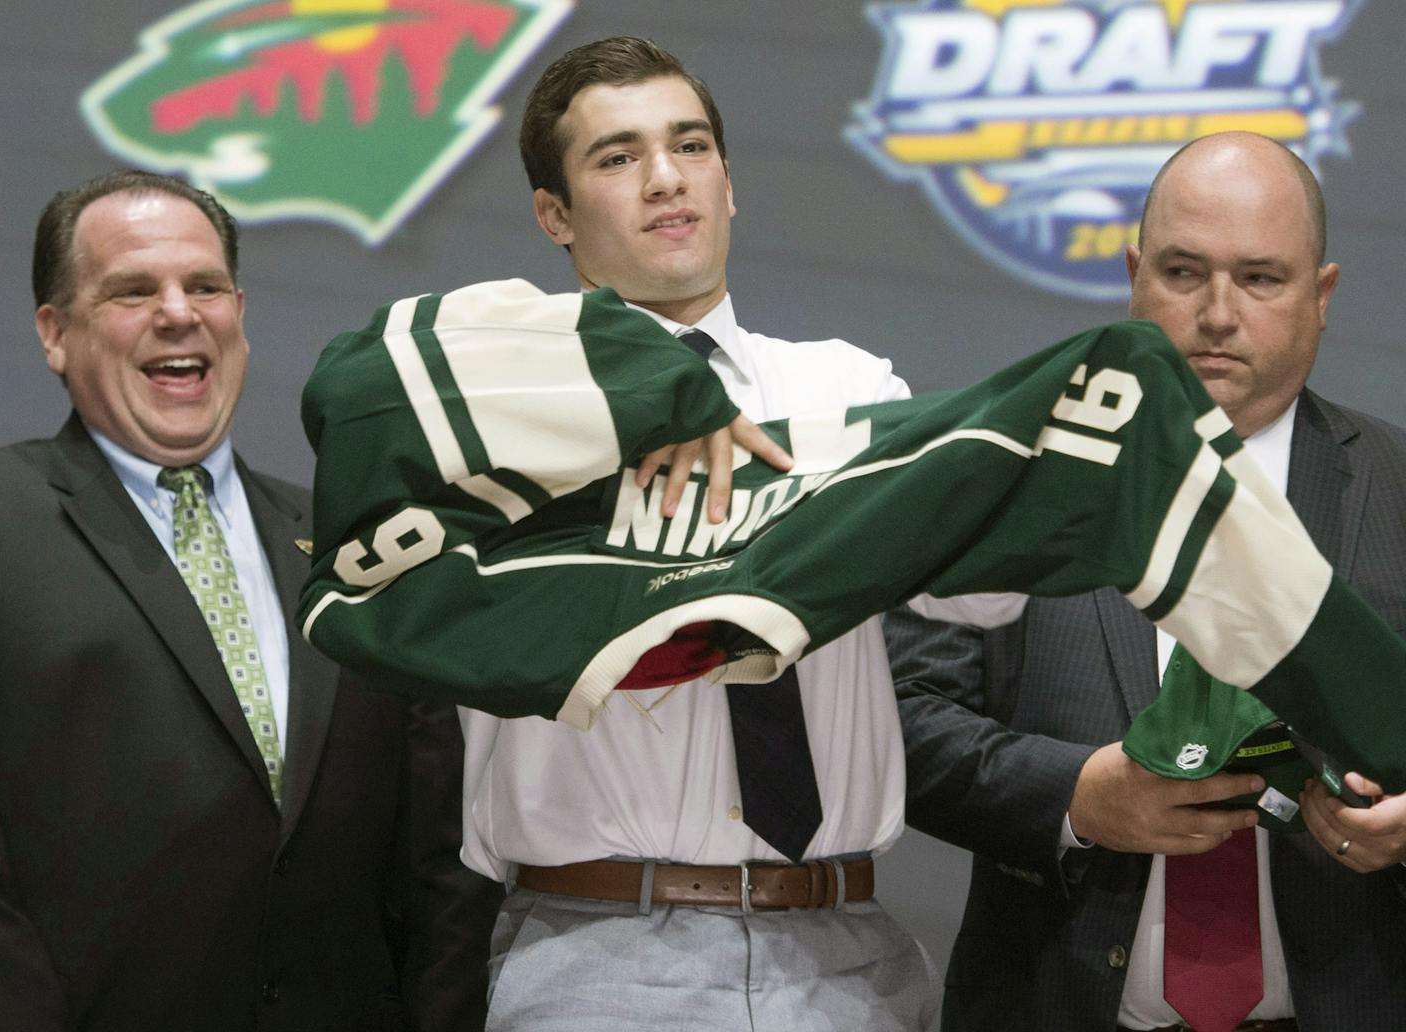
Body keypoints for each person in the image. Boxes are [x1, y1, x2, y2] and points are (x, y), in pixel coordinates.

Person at [455, 36, 947, 1031]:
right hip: (600, 953)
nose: (666, 178)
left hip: (849, 953)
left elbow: (978, 592)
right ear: (553, 214)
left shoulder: (849, 391)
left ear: (730, 185)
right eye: (617, 157)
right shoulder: (493, 417)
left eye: (689, 146)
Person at [885, 131, 1406, 1031]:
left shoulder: (1399, 486)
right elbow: (900, 716)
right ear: (1133, 276)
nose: (1217, 313)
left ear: (1321, 296)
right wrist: (1078, 799)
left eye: (1261, 278)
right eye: (1182, 272)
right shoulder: (1009, 472)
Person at [0, 170, 502, 1032]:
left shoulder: (356, 542)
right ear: (55, 332)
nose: (180, 311)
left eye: (207, 286)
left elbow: (439, 857)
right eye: (133, 290)